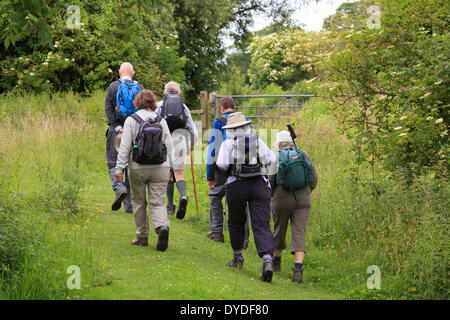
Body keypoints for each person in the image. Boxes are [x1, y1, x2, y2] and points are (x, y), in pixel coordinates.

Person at [216, 112, 276, 283]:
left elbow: (222, 164)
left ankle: (238, 258)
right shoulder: (258, 140)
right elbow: (271, 158)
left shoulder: (228, 143)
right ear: (246, 126)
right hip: (259, 185)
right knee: (261, 223)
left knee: (236, 221)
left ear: (230, 129)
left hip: (236, 185)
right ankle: (267, 260)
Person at [115, 90, 175, 251]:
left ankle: (142, 237)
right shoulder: (161, 120)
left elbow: (125, 147)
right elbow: (169, 145)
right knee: (157, 202)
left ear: (137, 102)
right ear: (153, 103)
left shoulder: (131, 120)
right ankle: (162, 227)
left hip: (137, 167)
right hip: (161, 167)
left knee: (139, 202)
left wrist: (119, 168)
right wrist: (172, 167)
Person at [269, 130, 318, 284]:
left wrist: (272, 196)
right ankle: (298, 271)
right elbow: (314, 179)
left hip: (281, 199)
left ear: (278, 143)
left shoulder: (275, 156)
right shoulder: (303, 154)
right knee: (299, 234)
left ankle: (276, 261)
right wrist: (307, 192)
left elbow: (270, 180)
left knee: (279, 230)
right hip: (303, 199)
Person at [206, 96, 250, 246]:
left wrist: (210, 174)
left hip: (223, 165)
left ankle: (217, 232)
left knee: (216, 195)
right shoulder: (245, 120)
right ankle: (244, 239)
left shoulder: (219, 121)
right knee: (242, 200)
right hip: (243, 164)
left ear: (222, 108)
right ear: (234, 107)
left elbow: (213, 147)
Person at [105, 62, 144, 213]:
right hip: (134, 131)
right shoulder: (140, 87)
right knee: (130, 166)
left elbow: (108, 107)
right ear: (132, 73)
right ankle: (129, 206)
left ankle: (119, 188)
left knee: (113, 162)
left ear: (119, 73)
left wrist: (116, 126)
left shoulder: (113, 86)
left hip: (117, 132)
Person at [156, 81, 198, 220]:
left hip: (164, 140)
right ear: (179, 93)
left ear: (165, 92)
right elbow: (191, 128)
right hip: (180, 138)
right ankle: (183, 195)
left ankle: (169, 206)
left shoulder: (159, 105)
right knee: (179, 174)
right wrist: (192, 144)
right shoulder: (184, 107)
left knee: (168, 174)